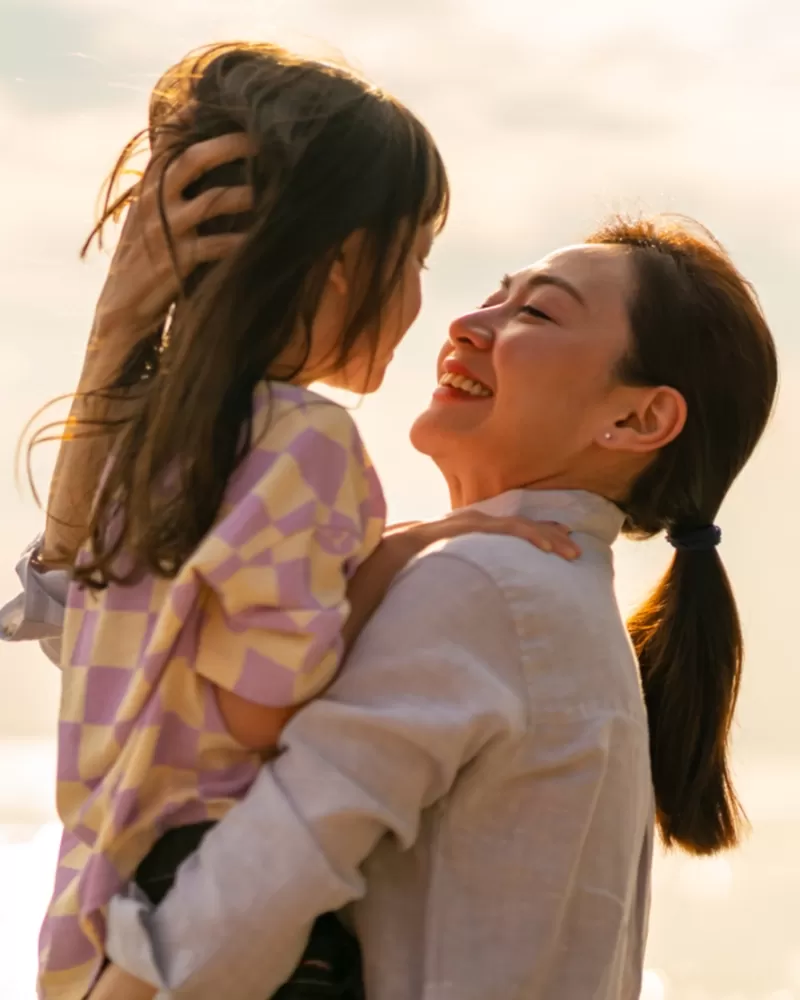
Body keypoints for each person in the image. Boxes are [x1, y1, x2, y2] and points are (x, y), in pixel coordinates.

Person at [6, 196, 777, 998]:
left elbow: (260, 881)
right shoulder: (524, 588)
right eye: (495, 293)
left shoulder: (488, 586)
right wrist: (114, 340)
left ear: (638, 416)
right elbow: (142, 677)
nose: (470, 323)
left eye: (538, 313)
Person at [14, 42, 578, 1000]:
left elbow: (100, 634)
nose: (423, 304)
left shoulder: (148, 443)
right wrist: (407, 556)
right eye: (415, 261)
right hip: (221, 910)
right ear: (341, 267)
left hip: (101, 905)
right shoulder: (309, 447)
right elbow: (262, 707)